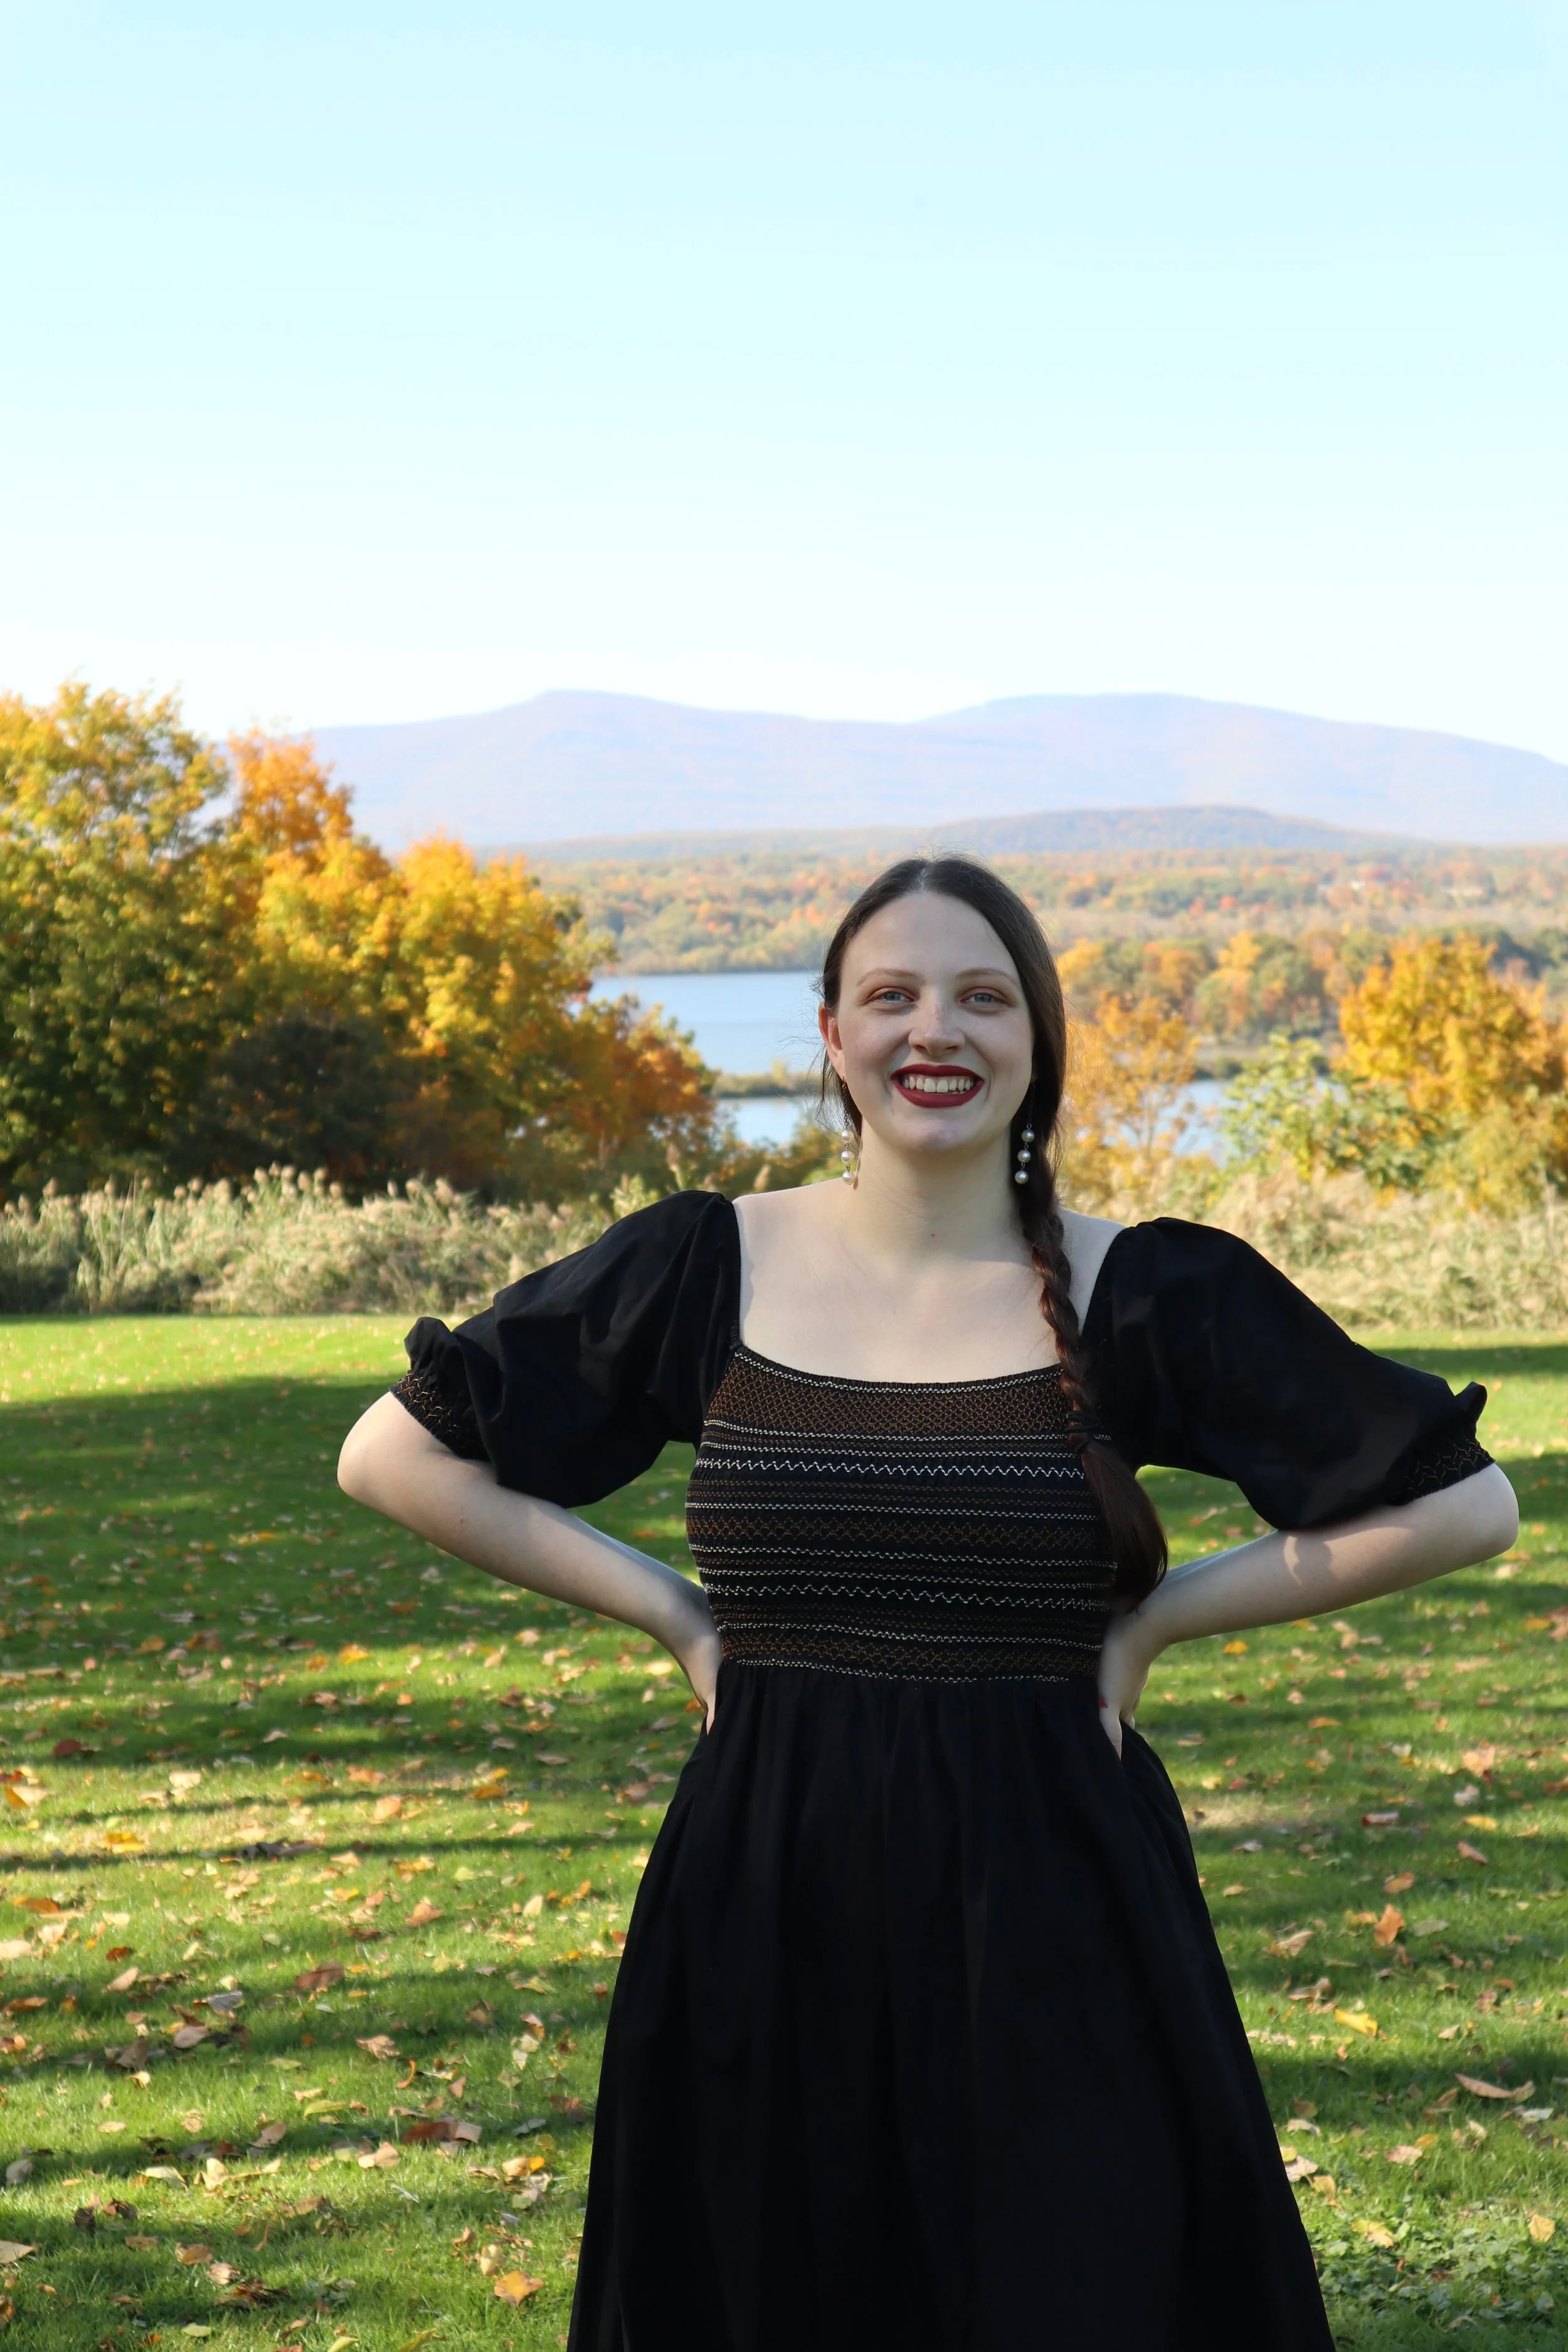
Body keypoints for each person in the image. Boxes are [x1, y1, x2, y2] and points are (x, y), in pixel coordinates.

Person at [339, 856, 1515, 2352]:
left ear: (1036, 1038)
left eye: (979, 995)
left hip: (1057, 1919)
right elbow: (393, 1457)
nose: (930, 1032)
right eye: (888, 996)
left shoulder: (1147, 1291)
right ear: (830, 1035)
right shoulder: (709, 1264)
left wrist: (1155, 1619)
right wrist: (680, 1617)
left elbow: (1462, 1503)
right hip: (761, 1904)